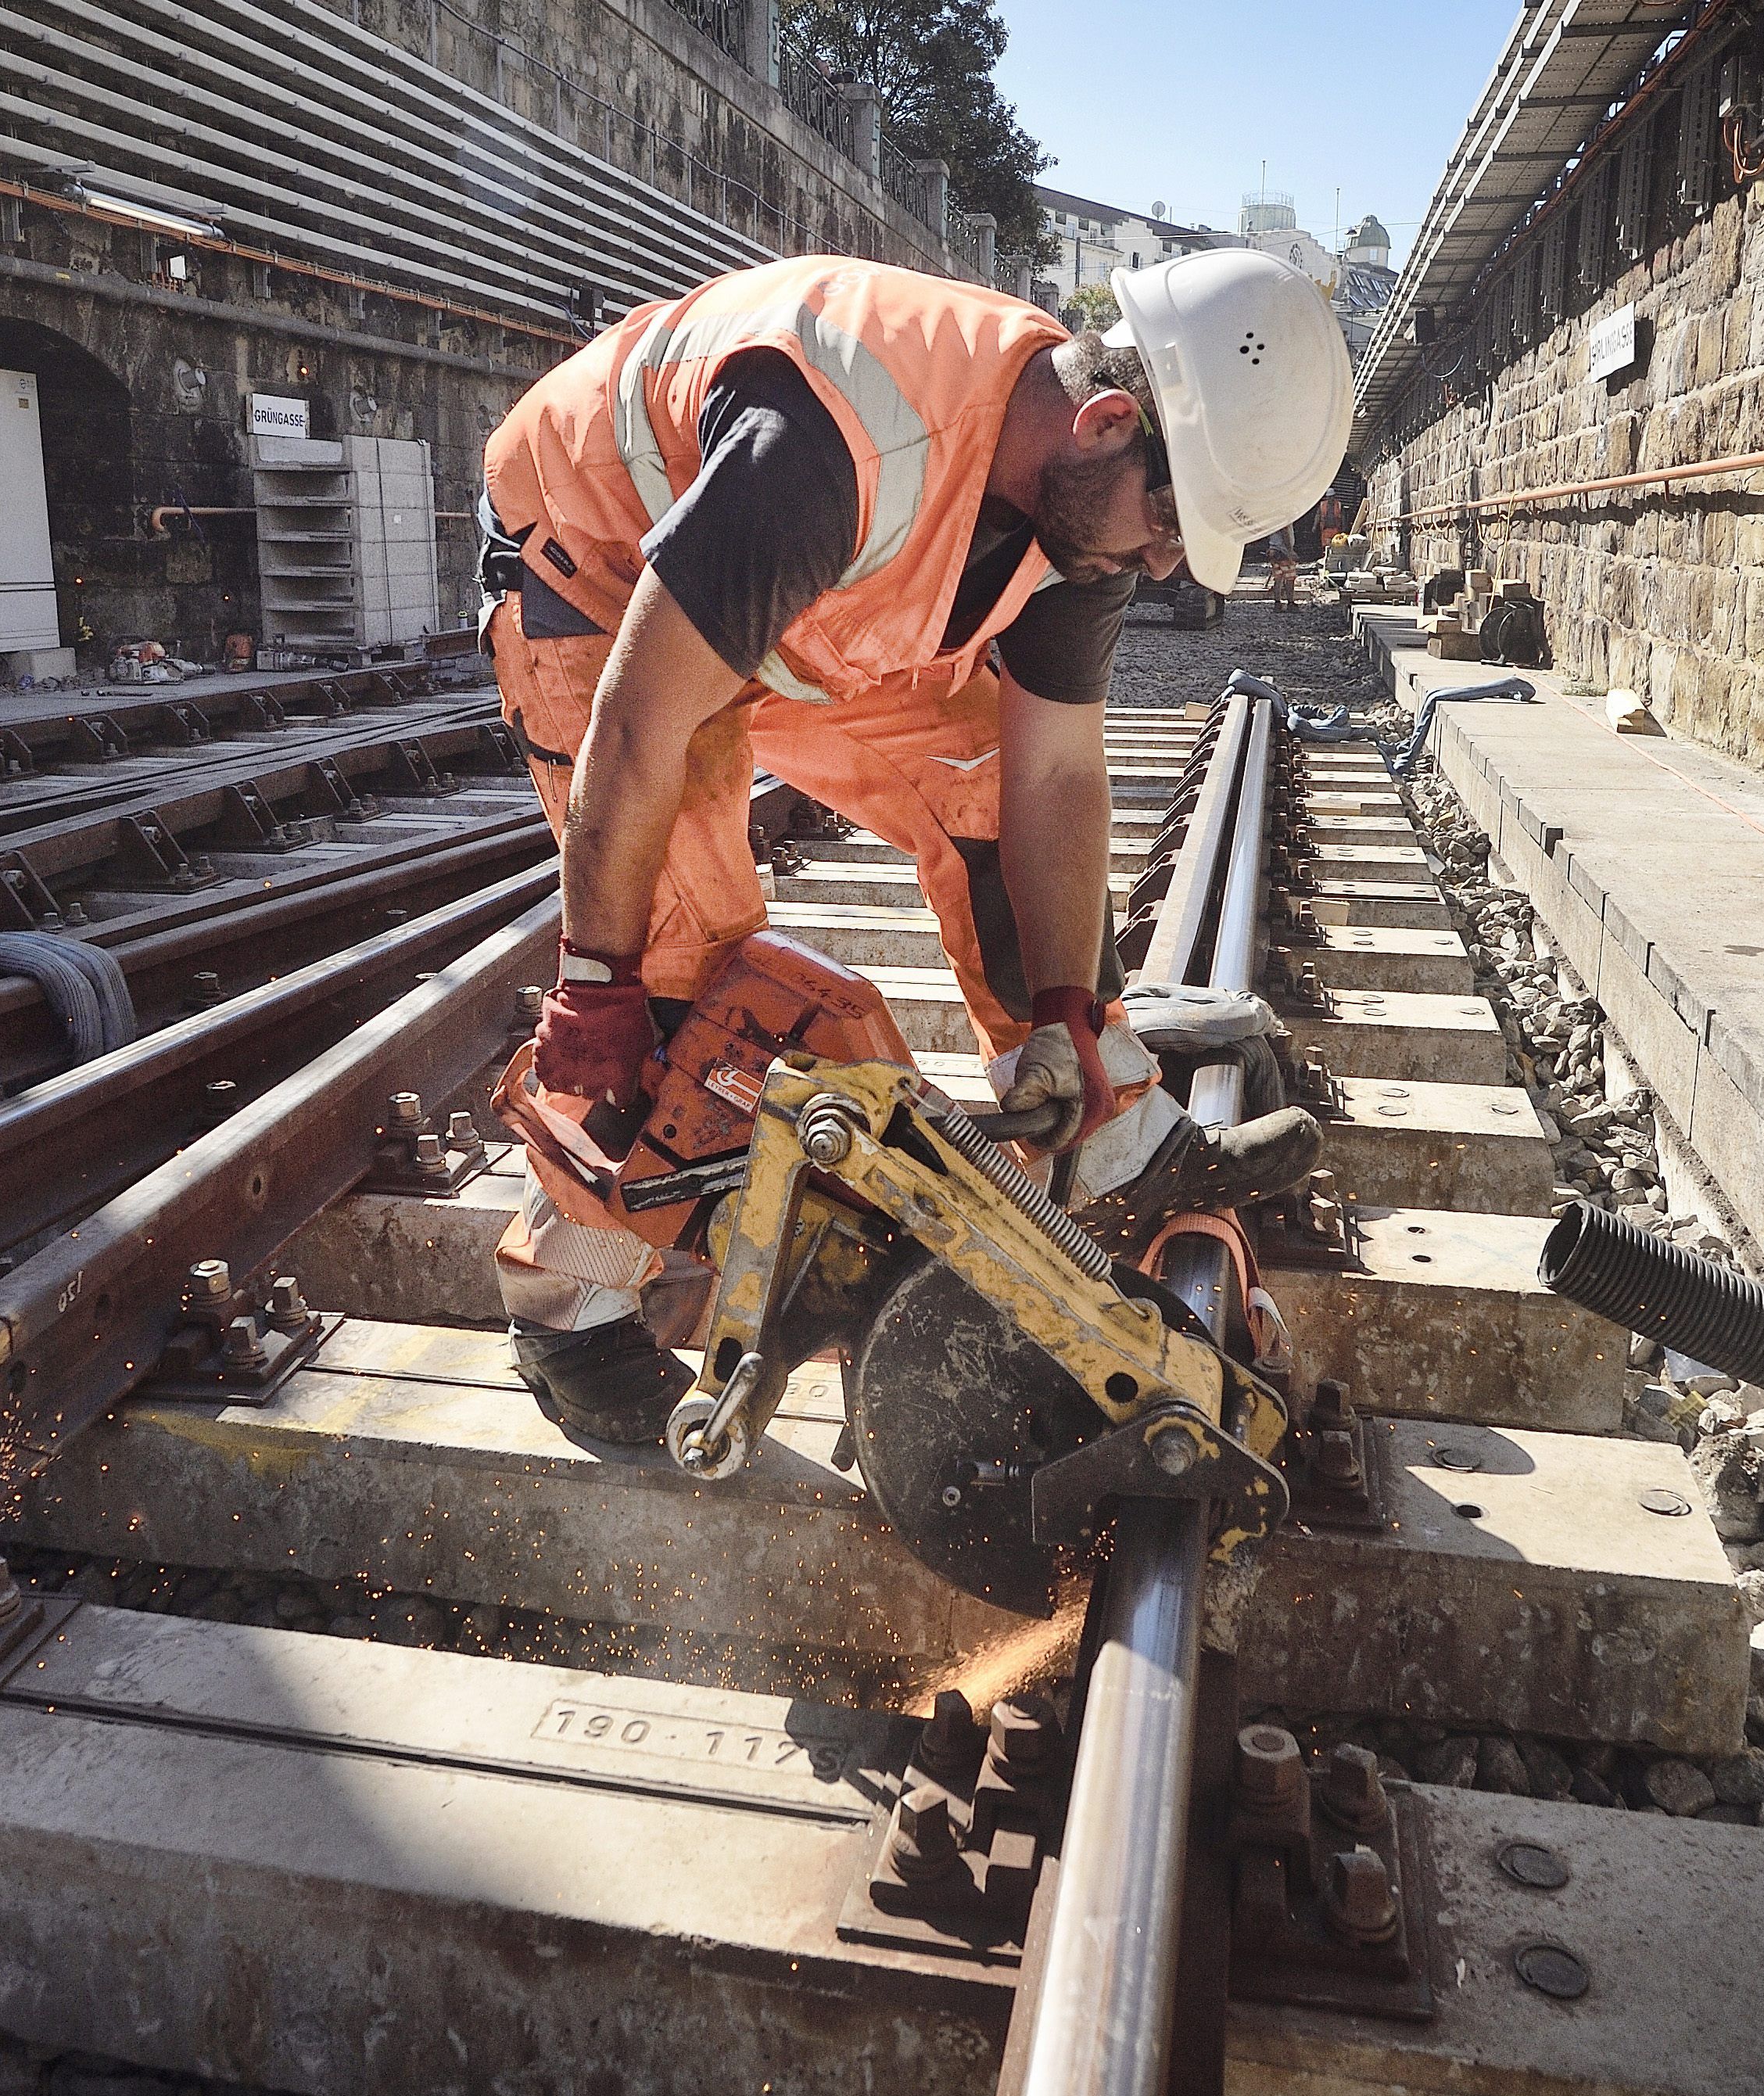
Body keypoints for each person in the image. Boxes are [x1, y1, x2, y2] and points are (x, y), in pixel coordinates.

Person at [480, 249, 1353, 1444]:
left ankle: (1106, 1131)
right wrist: (590, 992)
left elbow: (1051, 775)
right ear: (1106, 421)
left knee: (989, 787)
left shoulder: (1076, 501)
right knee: (678, 984)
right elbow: (636, 731)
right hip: (607, 570)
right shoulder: (833, 449)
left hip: (803, 601)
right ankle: (564, 1303)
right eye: (1167, 518)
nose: (1162, 562)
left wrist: (1066, 1014)